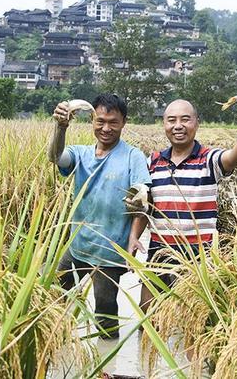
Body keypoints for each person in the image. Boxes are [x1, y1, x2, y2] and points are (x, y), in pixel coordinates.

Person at [126, 99, 237, 314]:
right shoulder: (152, 162)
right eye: (171, 120)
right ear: (164, 124)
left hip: (200, 255)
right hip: (160, 251)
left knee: (194, 324)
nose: (178, 125)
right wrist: (134, 236)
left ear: (196, 124)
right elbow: (145, 206)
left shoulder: (209, 159)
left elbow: (233, 158)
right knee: (148, 317)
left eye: (185, 119)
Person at [48, 94, 150, 339]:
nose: (106, 128)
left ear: (124, 122)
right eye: (100, 121)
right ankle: (51, 342)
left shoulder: (132, 157)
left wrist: (134, 237)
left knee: (105, 310)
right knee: (52, 296)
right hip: (78, 245)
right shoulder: (80, 153)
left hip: (111, 253)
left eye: (113, 122)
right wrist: (60, 127)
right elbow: (55, 157)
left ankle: (108, 363)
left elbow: (143, 198)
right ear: (93, 120)